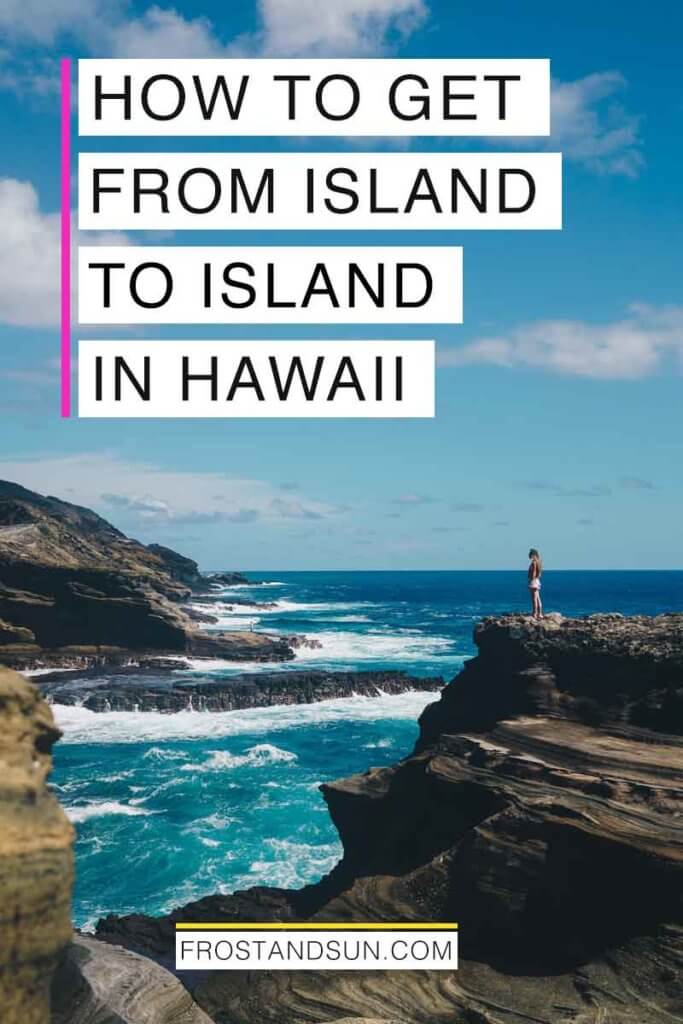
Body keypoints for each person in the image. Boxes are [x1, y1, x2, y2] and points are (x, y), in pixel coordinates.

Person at [528, 548, 543, 619]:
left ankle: (535, 613)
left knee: (534, 598)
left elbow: (533, 572)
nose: (529, 556)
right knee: (538, 598)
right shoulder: (539, 562)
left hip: (533, 581)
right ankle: (540, 613)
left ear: (533, 555)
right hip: (537, 580)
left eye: (530, 555)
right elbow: (539, 574)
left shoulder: (534, 562)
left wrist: (531, 580)